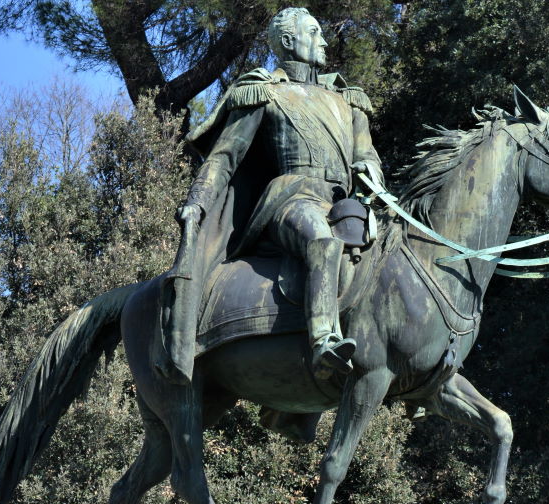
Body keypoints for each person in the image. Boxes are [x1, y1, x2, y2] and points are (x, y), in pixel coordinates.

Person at [163, 7, 384, 383]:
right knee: (322, 239)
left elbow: (367, 156)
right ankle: (323, 343)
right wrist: (197, 201)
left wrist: (370, 172)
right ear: (288, 41)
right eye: (314, 33)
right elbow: (225, 157)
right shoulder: (263, 91)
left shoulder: (348, 100)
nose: (324, 41)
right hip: (291, 197)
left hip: (345, 204)